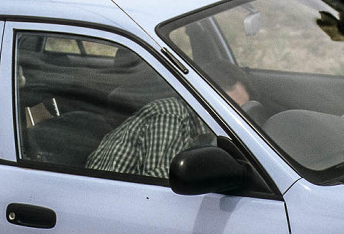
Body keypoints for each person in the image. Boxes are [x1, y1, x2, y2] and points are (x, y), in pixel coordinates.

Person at [86, 60, 251, 178]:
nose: (237, 119)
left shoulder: (201, 129)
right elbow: (159, 181)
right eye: (233, 109)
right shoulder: (171, 114)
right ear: (207, 97)